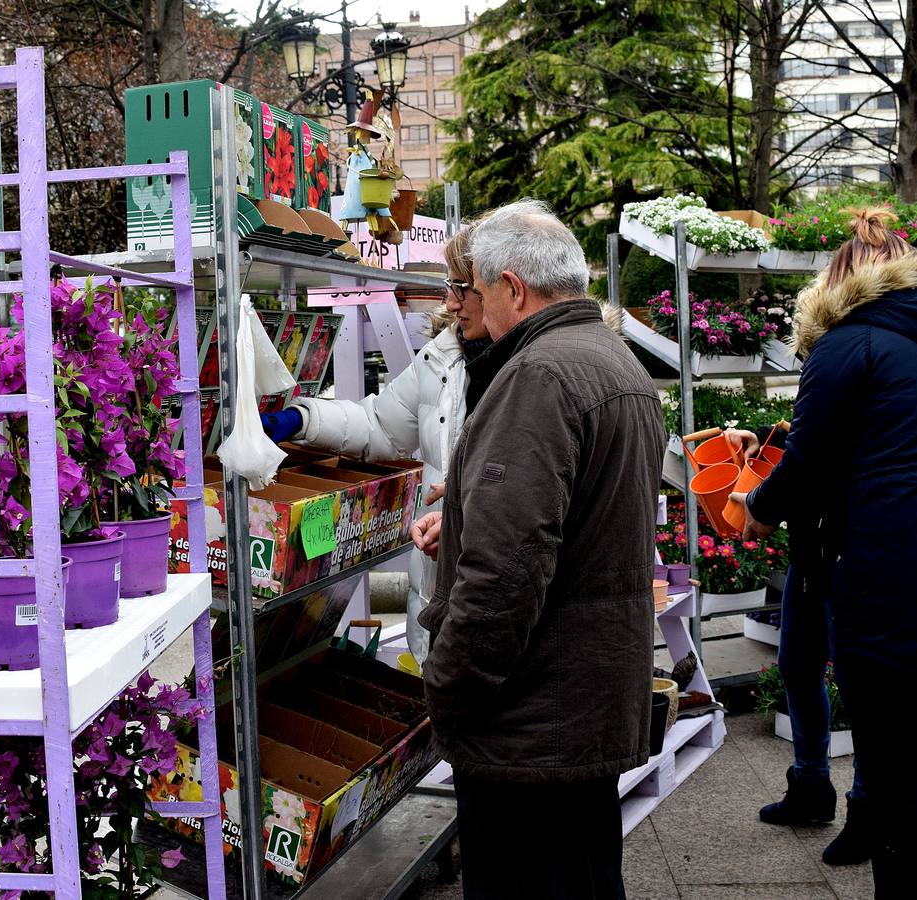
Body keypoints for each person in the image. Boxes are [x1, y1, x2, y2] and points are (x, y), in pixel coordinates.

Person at [412, 200, 665, 900]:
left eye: (480, 292)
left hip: (530, 719)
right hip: (583, 704)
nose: (475, 311)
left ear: (514, 288)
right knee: (583, 874)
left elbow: (503, 575)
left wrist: (449, 686)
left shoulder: (539, 376)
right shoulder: (615, 361)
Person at [729, 207, 917, 897]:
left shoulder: (846, 345)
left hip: (891, 575)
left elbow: (811, 466)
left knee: (894, 750)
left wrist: (755, 507)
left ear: (838, 285)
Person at [260, 225, 491, 665]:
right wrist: (301, 419)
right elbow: (381, 427)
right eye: (449, 285)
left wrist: (468, 516)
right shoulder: (442, 358)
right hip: (438, 602)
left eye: (462, 286)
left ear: (504, 286)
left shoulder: (539, 371)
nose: (450, 302)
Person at [725, 425, 871, 866]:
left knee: (860, 683)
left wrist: (763, 502)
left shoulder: (860, 359)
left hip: (854, 549)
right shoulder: (829, 366)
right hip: (811, 548)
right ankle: (810, 789)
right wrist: (767, 447)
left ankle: (868, 813)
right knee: (797, 667)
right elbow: (811, 441)